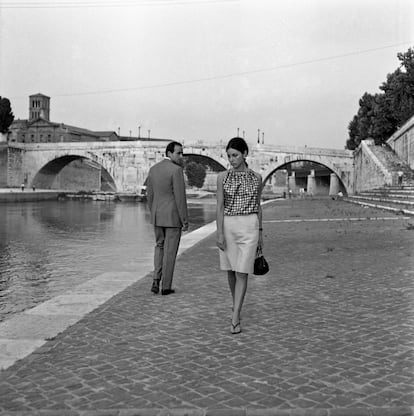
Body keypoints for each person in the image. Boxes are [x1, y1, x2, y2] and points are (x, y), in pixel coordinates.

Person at [216, 137, 263, 334]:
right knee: (230, 270)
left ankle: (235, 316)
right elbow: (219, 206)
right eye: (229, 156)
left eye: (235, 155)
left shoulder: (257, 178)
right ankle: (236, 304)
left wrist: (261, 234)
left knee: (242, 271)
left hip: (250, 225)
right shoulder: (222, 177)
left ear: (245, 154)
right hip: (229, 224)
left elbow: (259, 207)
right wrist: (219, 233)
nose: (231, 159)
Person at [146, 141, 189, 296]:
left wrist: (153, 212)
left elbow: (149, 195)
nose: (181, 156)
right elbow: (180, 198)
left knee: (159, 247)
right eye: (179, 153)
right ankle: (166, 286)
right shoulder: (176, 171)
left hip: (157, 216)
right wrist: (184, 220)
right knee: (170, 252)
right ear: (169, 153)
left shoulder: (153, 169)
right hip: (172, 217)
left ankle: (155, 280)